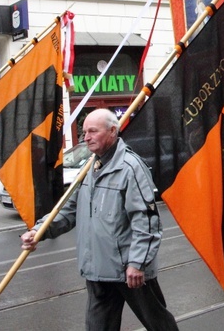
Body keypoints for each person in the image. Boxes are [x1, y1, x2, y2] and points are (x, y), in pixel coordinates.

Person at [20, 109, 178, 331]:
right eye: (84, 132)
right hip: (98, 268)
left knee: (158, 323)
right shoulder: (88, 168)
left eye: (92, 131)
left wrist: (138, 262)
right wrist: (39, 230)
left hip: (129, 270)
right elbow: (68, 209)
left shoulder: (131, 167)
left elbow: (147, 219)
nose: (86, 138)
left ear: (113, 131)